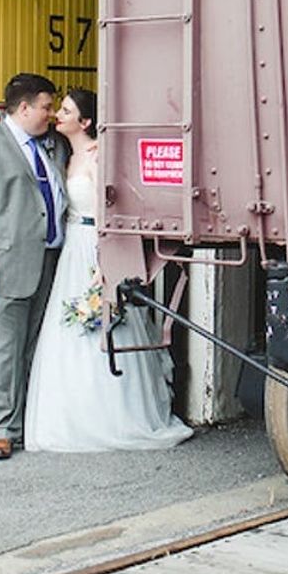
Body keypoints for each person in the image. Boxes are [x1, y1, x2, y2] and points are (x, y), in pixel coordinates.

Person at [24, 88, 192, 452]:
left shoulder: (100, 158)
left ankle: (115, 416)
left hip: (94, 246)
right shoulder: (61, 153)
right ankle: (70, 416)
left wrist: (108, 264)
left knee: (106, 322)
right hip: (71, 246)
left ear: (85, 122)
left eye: (66, 111)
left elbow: (113, 212)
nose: (58, 116)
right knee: (66, 332)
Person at [0, 73, 68, 459]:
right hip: (2, 267)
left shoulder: (53, 147)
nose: (51, 115)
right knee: (3, 351)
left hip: (49, 261)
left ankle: (27, 423)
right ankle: (0, 430)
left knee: (35, 347)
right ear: (23, 108)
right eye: (46, 107)